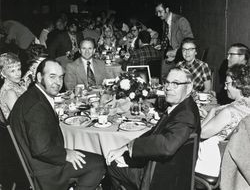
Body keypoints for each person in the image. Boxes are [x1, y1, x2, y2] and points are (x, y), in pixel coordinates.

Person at [9, 59, 105, 190]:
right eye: (52, 77)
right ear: (39, 77)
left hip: (32, 162)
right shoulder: (36, 107)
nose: (58, 82)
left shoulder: (32, 96)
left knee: (83, 154)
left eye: (60, 77)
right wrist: (65, 154)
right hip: (44, 170)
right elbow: (41, 149)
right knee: (98, 163)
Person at [106, 67, 201, 190]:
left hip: (160, 177)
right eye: (167, 82)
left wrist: (130, 148)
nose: (168, 87)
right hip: (165, 169)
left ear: (188, 87)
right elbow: (155, 132)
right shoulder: (182, 106)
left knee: (110, 164)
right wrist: (127, 148)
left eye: (175, 83)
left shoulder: (186, 115)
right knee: (118, 158)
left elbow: (167, 146)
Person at [195, 64, 250, 177]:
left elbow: (201, 133)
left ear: (238, 84)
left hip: (218, 165)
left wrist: (211, 113)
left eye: (227, 84)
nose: (225, 88)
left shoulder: (229, 112)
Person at [155, 2, 194, 78]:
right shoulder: (164, 23)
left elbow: (190, 41)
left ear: (167, 9)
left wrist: (177, 51)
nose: (158, 15)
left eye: (160, 12)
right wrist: (161, 46)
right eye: (157, 12)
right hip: (170, 54)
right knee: (163, 75)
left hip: (181, 56)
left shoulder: (180, 20)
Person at [0, 53, 26, 119]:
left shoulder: (15, 85)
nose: (18, 74)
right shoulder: (9, 92)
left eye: (19, 69)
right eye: (12, 71)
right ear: (3, 74)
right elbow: (21, 118)